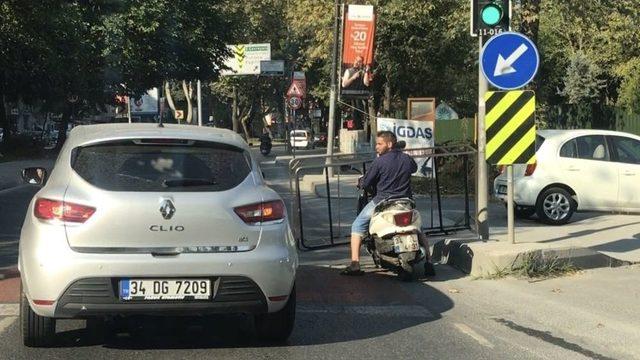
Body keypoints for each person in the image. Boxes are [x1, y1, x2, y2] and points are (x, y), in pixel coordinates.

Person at [341, 131, 418, 276]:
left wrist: (360, 182)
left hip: (382, 201)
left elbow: (367, 181)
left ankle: (355, 264)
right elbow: (414, 169)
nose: (376, 147)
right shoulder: (406, 158)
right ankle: (428, 260)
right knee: (416, 227)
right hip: (405, 201)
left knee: (357, 226)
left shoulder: (379, 161)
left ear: (389, 144)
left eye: (379, 144)